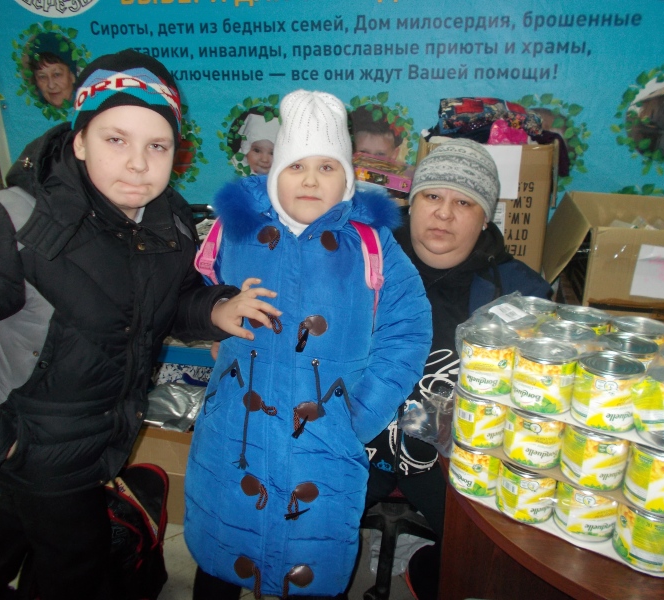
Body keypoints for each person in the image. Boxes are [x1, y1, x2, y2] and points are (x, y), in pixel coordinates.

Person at [0, 50, 279, 600]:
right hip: (30, 438)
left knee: (12, 532)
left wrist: (215, 309)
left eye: (157, 146)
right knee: (76, 568)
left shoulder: (168, 220)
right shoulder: (15, 221)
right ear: (79, 141)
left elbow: (169, 300)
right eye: (116, 140)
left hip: (99, 436)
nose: (138, 164)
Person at [184, 90, 432, 600]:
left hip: (324, 440)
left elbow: (407, 330)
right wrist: (214, 318)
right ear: (276, 170)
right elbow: (192, 293)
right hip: (235, 433)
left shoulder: (372, 244)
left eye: (327, 166)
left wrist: (357, 414)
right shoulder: (233, 231)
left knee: (313, 560)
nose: (311, 180)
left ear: (348, 177)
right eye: (297, 165)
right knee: (220, 552)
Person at [364, 139, 552, 600]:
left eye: (464, 202)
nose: (444, 213)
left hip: (456, 457)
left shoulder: (520, 293)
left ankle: (433, 572)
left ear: (485, 217)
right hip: (358, 438)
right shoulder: (364, 261)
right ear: (411, 202)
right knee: (304, 526)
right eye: (432, 196)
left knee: (498, 558)